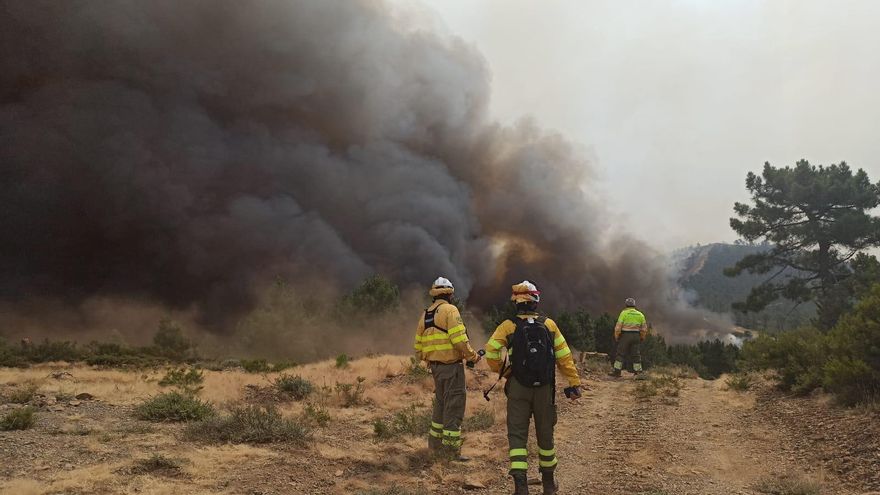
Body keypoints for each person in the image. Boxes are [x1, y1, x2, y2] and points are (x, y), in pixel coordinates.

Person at [484, 281, 582, 495]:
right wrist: (574, 383)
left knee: (517, 435)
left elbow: (491, 352)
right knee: (545, 435)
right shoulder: (549, 325)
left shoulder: (508, 326)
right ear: (536, 301)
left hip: (518, 387)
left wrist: (507, 373)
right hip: (545, 388)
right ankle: (549, 484)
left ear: (516, 303)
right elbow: (564, 358)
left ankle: (521, 487)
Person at [414, 277, 479, 460]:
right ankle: (451, 452)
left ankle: (434, 447)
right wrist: (472, 356)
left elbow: (418, 346)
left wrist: (429, 358)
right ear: (450, 294)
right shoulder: (450, 310)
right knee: (454, 406)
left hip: (436, 368)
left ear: (434, 294)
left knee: (441, 405)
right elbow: (459, 340)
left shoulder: (426, 314)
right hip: (451, 368)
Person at [609, 297, 648, 377]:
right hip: (636, 335)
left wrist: (617, 336)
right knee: (636, 354)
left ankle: (617, 372)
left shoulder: (624, 313)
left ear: (626, 305)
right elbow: (644, 329)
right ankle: (638, 372)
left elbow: (618, 327)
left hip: (625, 335)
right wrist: (642, 337)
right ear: (634, 305)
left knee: (620, 354)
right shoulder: (640, 314)